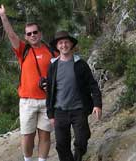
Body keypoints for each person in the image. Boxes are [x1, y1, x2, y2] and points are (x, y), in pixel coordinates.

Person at [0, 4, 57, 161]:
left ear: (40, 33)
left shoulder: (51, 51)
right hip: (27, 101)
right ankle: (27, 159)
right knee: (27, 135)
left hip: (48, 100)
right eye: (29, 33)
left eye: (35, 32)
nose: (33, 35)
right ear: (26, 37)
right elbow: (11, 35)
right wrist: (3, 16)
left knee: (45, 135)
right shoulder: (23, 50)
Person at [44, 31, 102, 161]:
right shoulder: (53, 66)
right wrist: (50, 114)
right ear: (57, 46)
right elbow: (50, 91)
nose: (64, 45)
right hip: (59, 112)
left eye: (66, 42)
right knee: (61, 145)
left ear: (71, 44)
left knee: (82, 139)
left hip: (79, 109)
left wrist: (97, 104)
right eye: (60, 43)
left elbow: (93, 85)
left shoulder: (81, 64)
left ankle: (78, 158)